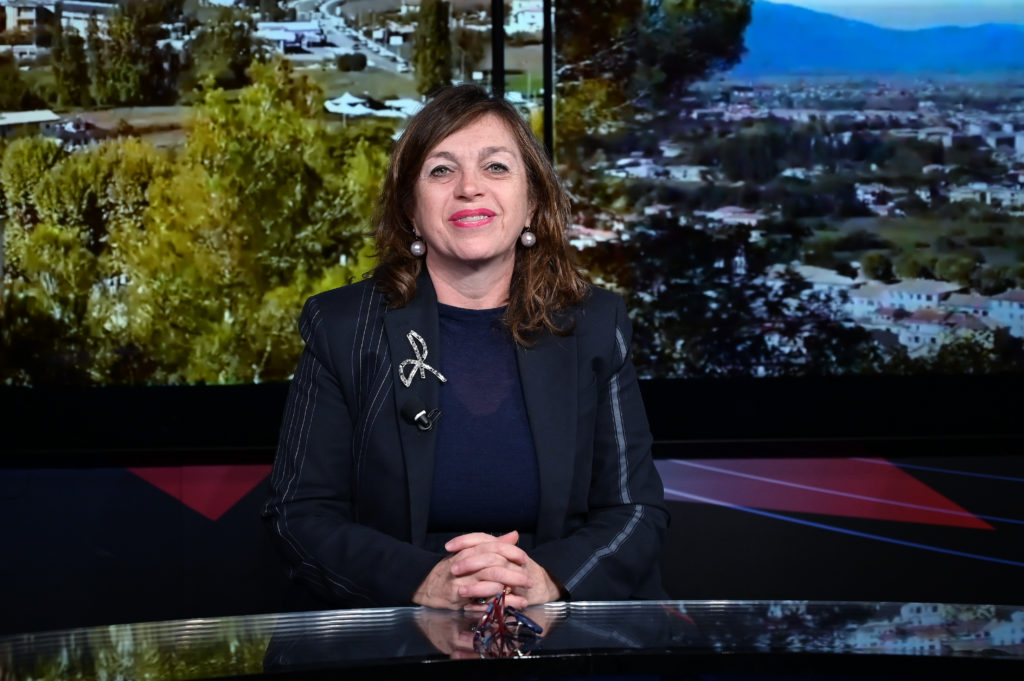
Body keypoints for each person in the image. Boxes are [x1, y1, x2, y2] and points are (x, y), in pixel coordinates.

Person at [262, 84, 668, 612]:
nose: (469, 188)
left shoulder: (594, 324)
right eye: (441, 170)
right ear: (411, 210)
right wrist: (424, 582)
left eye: (496, 167)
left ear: (532, 203)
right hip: (395, 626)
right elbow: (298, 515)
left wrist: (547, 581)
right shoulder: (341, 327)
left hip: (555, 623)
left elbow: (635, 510)